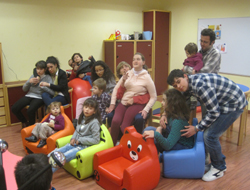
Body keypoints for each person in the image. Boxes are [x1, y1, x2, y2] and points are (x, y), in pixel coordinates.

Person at [167, 69, 248, 182]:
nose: (179, 86)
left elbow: (214, 112)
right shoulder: (189, 85)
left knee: (209, 136)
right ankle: (216, 161)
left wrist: (196, 128)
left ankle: (219, 168)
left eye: (179, 82)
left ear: (185, 76)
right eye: (175, 86)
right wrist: (165, 115)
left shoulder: (200, 86)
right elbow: (185, 103)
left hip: (233, 105)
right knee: (206, 129)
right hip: (222, 103)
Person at [108, 52, 157, 146]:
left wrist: (146, 110)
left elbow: (153, 96)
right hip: (124, 102)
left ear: (143, 62)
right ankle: (112, 146)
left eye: (138, 59)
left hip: (137, 104)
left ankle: (128, 146)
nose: (135, 61)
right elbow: (116, 89)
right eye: (134, 59)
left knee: (124, 127)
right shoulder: (127, 74)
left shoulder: (147, 77)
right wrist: (112, 103)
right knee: (115, 121)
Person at [48, 98, 101, 173]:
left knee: (61, 157)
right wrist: (73, 138)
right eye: (86, 107)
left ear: (94, 111)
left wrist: (80, 140)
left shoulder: (94, 122)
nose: (87, 110)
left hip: (83, 147)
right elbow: (77, 130)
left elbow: (96, 140)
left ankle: (47, 173)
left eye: (90, 108)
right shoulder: (82, 117)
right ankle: (41, 166)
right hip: (75, 143)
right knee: (55, 152)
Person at [11, 60, 54, 128]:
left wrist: (43, 87)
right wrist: (29, 82)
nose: (39, 71)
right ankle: (25, 122)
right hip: (29, 95)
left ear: (45, 69)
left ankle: (31, 127)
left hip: (39, 97)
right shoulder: (33, 76)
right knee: (14, 108)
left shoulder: (48, 78)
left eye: (41, 69)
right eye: (37, 69)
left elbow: (52, 92)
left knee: (30, 110)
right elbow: (24, 89)